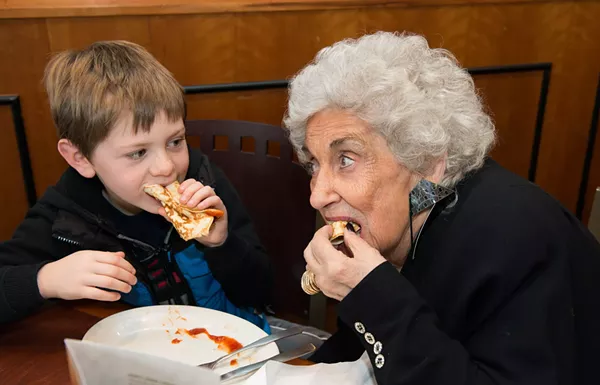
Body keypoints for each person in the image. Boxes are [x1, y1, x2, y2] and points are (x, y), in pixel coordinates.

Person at [283, 31, 600, 384]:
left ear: (427, 161)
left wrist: (373, 297)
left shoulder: (516, 241)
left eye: (346, 159)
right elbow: (360, 355)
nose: (318, 194)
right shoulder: (404, 222)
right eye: (314, 164)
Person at [0, 41, 273, 332]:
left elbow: (262, 294)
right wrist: (46, 279)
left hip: (235, 346)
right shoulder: (64, 218)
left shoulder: (205, 181)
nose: (167, 167)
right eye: (138, 153)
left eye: (175, 141)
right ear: (81, 158)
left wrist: (222, 245)